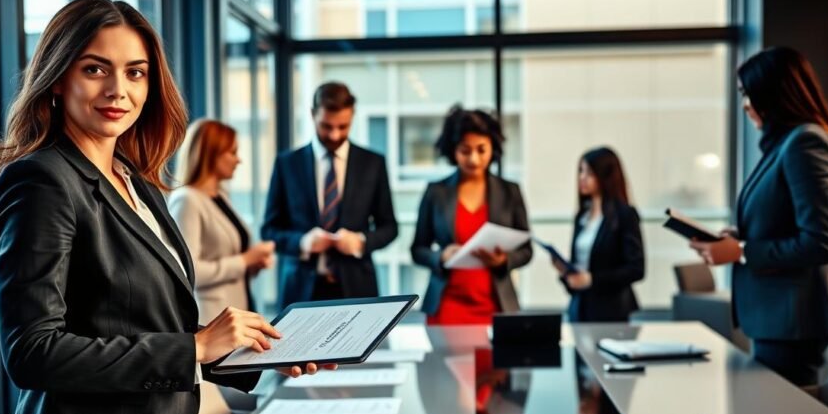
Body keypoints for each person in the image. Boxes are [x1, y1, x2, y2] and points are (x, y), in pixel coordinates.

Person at [0, 0, 331, 414]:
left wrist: (244, 352)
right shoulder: (42, 180)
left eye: (135, 72)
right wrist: (194, 345)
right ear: (57, 79)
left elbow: (141, 325)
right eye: (94, 68)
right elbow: (31, 351)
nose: (117, 90)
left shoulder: (138, 181)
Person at [689, 46, 828, 386]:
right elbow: (784, 222)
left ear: (776, 95)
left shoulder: (805, 143)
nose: (745, 104)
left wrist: (742, 251)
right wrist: (739, 238)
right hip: (779, 317)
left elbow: (820, 243)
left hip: (794, 319)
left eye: (750, 94)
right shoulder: (785, 145)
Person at [261, 82, 397, 308]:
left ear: (352, 116)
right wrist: (302, 242)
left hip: (357, 288)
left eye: (343, 126)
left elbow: (390, 227)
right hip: (301, 290)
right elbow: (269, 230)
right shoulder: (287, 164)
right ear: (313, 114)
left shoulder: (373, 163)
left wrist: (361, 241)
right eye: (326, 126)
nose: (334, 135)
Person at [411, 105, 532, 325]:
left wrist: (504, 259)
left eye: (481, 150)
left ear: (492, 148)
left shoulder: (510, 192)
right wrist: (441, 257)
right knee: (445, 360)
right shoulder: (436, 192)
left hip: (497, 306)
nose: (473, 159)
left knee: (497, 361)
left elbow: (526, 250)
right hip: (447, 306)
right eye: (465, 150)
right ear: (453, 150)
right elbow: (418, 249)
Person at [168, 119, 274, 322]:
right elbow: (189, 273)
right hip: (211, 317)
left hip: (238, 309)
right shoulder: (187, 200)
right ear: (211, 154)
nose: (239, 160)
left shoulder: (220, 196)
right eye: (232, 152)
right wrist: (244, 260)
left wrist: (252, 265)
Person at [554, 147, 644, 322]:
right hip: (580, 308)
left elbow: (636, 269)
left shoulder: (625, 215)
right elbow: (579, 267)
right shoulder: (582, 216)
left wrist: (592, 280)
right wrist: (566, 272)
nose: (582, 178)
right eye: (580, 171)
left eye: (589, 173)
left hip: (612, 311)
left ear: (605, 177)